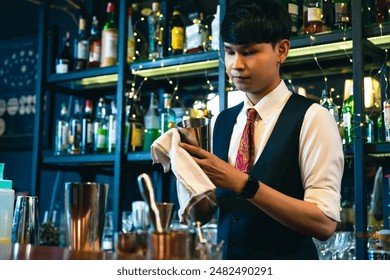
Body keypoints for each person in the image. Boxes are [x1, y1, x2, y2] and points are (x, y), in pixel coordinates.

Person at [178, 0, 344, 260]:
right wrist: (185, 171)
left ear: (281, 50)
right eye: (230, 52)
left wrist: (242, 184)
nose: (236, 65)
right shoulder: (223, 121)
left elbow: (324, 223)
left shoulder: (313, 118)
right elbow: (204, 214)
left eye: (249, 52)